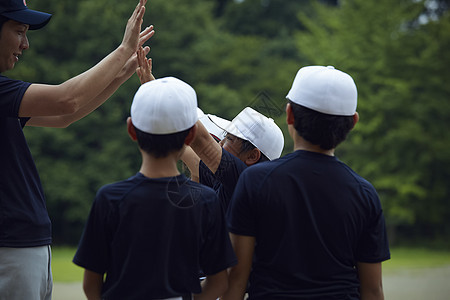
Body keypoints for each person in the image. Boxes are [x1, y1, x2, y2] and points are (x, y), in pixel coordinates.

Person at [0, 0, 154, 299]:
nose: (25, 44)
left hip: (21, 247)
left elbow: (64, 117)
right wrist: (123, 49)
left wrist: (120, 73)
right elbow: (65, 100)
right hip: (10, 249)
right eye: (19, 31)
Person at [224, 66, 391, 300]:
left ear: (290, 115)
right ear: (353, 122)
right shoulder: (364, 194)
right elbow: (373, 290)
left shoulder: (256, 181)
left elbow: (236, 279)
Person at [73, 77, 237, 299]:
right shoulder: (206, 201)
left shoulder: (110, 198)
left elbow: (90, 284)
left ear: (131, 130)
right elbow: (219, 282)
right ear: (190, 136)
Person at [135, 52, 285, 213]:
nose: (220, 142)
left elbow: (200, 140)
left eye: (229, 139)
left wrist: (155, 92)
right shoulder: (227, 179)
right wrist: (153, 93)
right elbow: (186, 143)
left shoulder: (242, 180)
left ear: (252, 156)